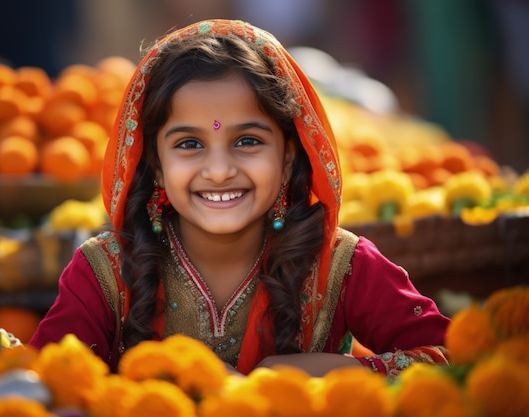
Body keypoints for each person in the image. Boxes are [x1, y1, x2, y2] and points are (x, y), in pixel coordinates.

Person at [29, 19, 450, 378]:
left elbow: (451, 357)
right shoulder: (105, 271)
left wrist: (319, 371)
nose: (218, 170)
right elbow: (41, 381)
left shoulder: (341, 264)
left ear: (288, 157)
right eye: (189, 144)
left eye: (247, 141)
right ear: (154, 163)